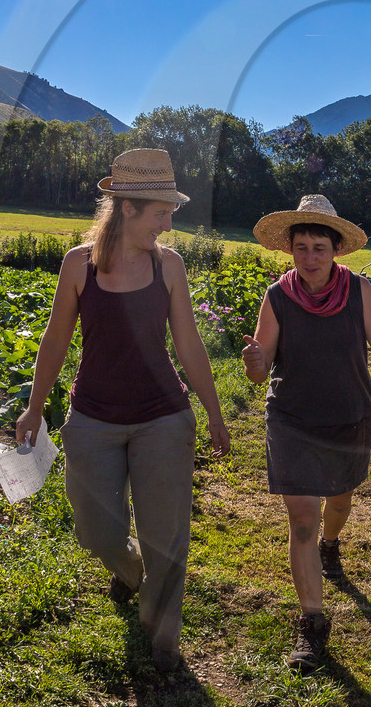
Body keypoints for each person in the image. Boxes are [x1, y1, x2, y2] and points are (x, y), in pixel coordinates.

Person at [15, 148, 230, 673]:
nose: (168, 222)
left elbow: (190, 347)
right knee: (97, 531)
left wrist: (214, 413)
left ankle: (162, 644)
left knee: (168, 537)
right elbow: (55, 339)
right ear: (127, 209)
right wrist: (34, 407)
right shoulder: (78, 265)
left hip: (162, 416)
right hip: (92, 417)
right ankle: (129, 571)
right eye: (161, 212)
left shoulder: (169, 266)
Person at [241, 195, 371, 672]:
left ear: (335, 251)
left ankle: (334, 545)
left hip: (349, 417)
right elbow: (260, 368)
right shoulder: (277, 297)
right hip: (292, 420)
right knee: (302, 521)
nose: (309, 258)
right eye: (301, 248)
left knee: (341, 498)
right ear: (289, 251)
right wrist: (254, 363)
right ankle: (313, 624)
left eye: (318, 248)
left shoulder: (360, 293)